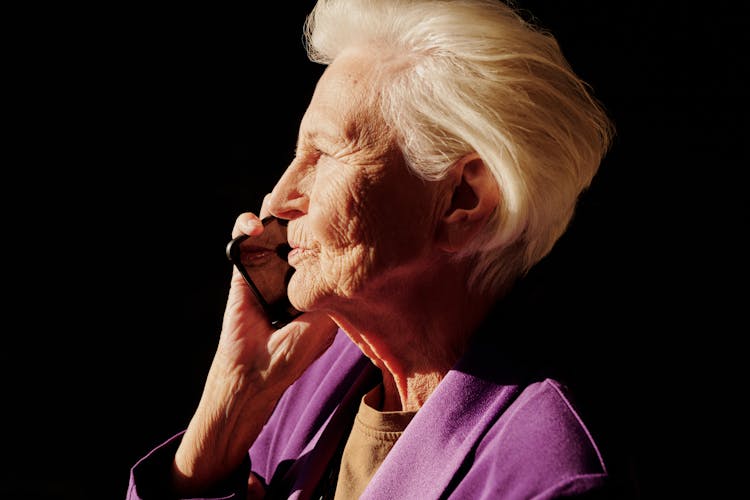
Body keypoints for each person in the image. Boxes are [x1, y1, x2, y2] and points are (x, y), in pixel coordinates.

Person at [127, 0, 616, 498]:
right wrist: (232, 402)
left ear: (461, 200)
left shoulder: (547, 477)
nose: (279, 198)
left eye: (325, 155)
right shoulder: (304, 376)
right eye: (298, 154)